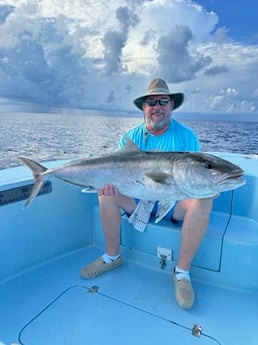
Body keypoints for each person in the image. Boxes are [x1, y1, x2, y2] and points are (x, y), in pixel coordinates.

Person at [81, 78, 214, 309]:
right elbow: (118, 172)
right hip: (138, 199)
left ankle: (182, 272)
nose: (157, 106)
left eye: (163, 101)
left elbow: (194, 173)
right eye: (151, 102)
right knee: (105, 194)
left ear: (171, 105)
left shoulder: (186, 137)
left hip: (174, 201)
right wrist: (109, 184)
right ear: (144, 107)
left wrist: (208, 186)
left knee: (203, 200)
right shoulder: (130, 138)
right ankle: (112, 256)